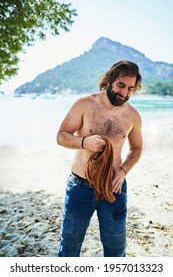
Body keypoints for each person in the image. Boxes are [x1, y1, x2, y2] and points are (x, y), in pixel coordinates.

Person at [56, 60, 143, 257]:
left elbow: (137, 148)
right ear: (109, 80)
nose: (125, 93)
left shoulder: (133, 116)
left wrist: (123, 170)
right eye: (121, 85)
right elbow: (61, 136)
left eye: (130, 88)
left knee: (115, 249)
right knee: (69, 246)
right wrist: (84, 142)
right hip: (80, 187)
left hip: (114, 188)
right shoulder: (85, 104)